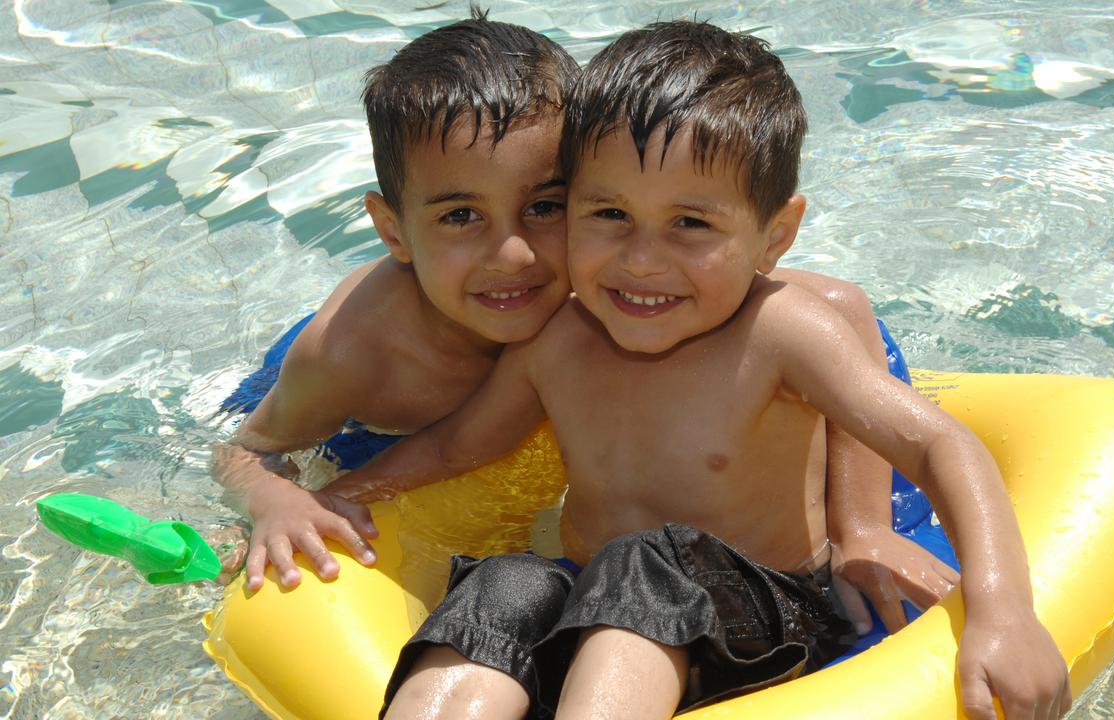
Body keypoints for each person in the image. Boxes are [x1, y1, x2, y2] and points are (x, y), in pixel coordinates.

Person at [323, 20, 1070, 720]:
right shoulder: (558, 339)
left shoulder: (780, 334)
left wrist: (1001, 609)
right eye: (608, 214)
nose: (641, 260)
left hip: (769, 618)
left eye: (691, 223)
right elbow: (459, 447)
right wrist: (336, 498)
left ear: (774, 237)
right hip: (601, 609)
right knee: (506, 580)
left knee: (645, 564)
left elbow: (945, 445)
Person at [211, 11, 578, 591]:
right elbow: (241, 453)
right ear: (394, 232)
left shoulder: (589, 291)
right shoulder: (350, 354)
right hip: (351, 414)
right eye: (461, 216)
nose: (513, 255)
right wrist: (274, 499)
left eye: (545, 206)